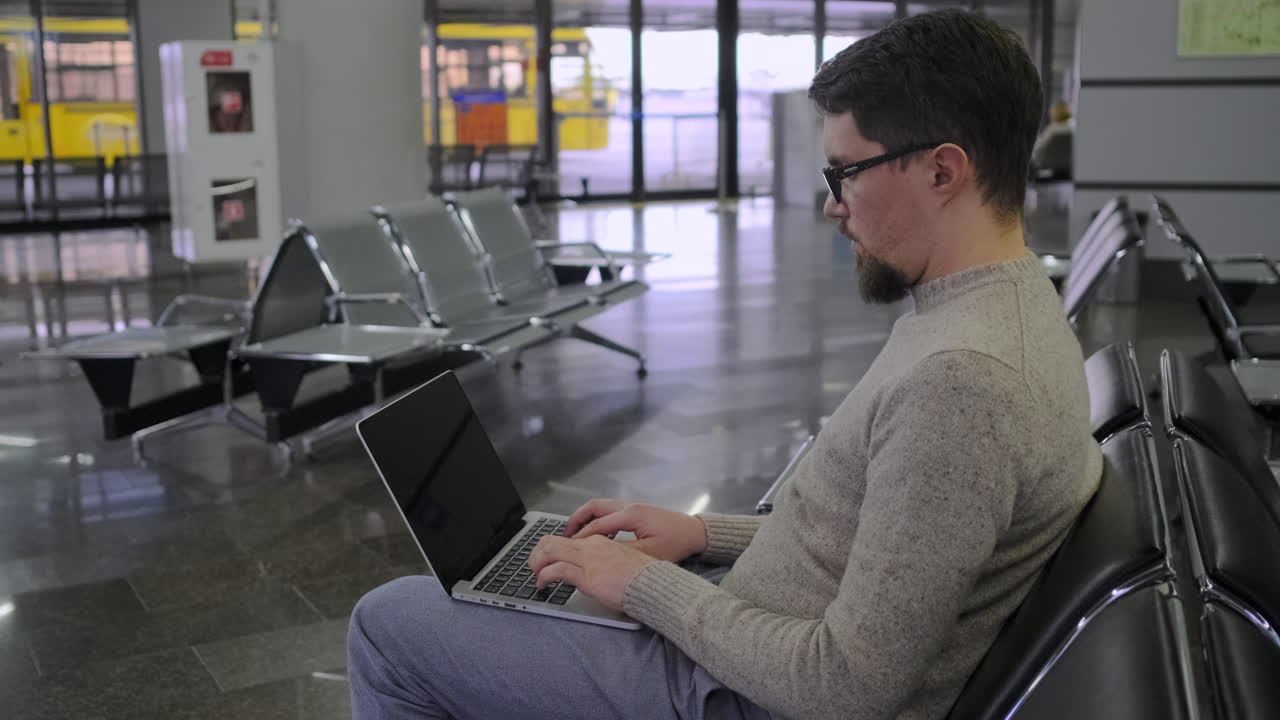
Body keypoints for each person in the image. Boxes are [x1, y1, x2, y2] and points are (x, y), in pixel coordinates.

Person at [346, 10, 1102, 720]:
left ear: (942, 172)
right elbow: (875, 543)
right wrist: (702, 536)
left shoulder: (963, 382)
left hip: (731, 693)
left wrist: (647, 588)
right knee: (518, 587)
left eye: (845, 172)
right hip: (747, 631)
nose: (834, 205)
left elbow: (847, 683)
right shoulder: (1006, 311)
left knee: (387, 623)